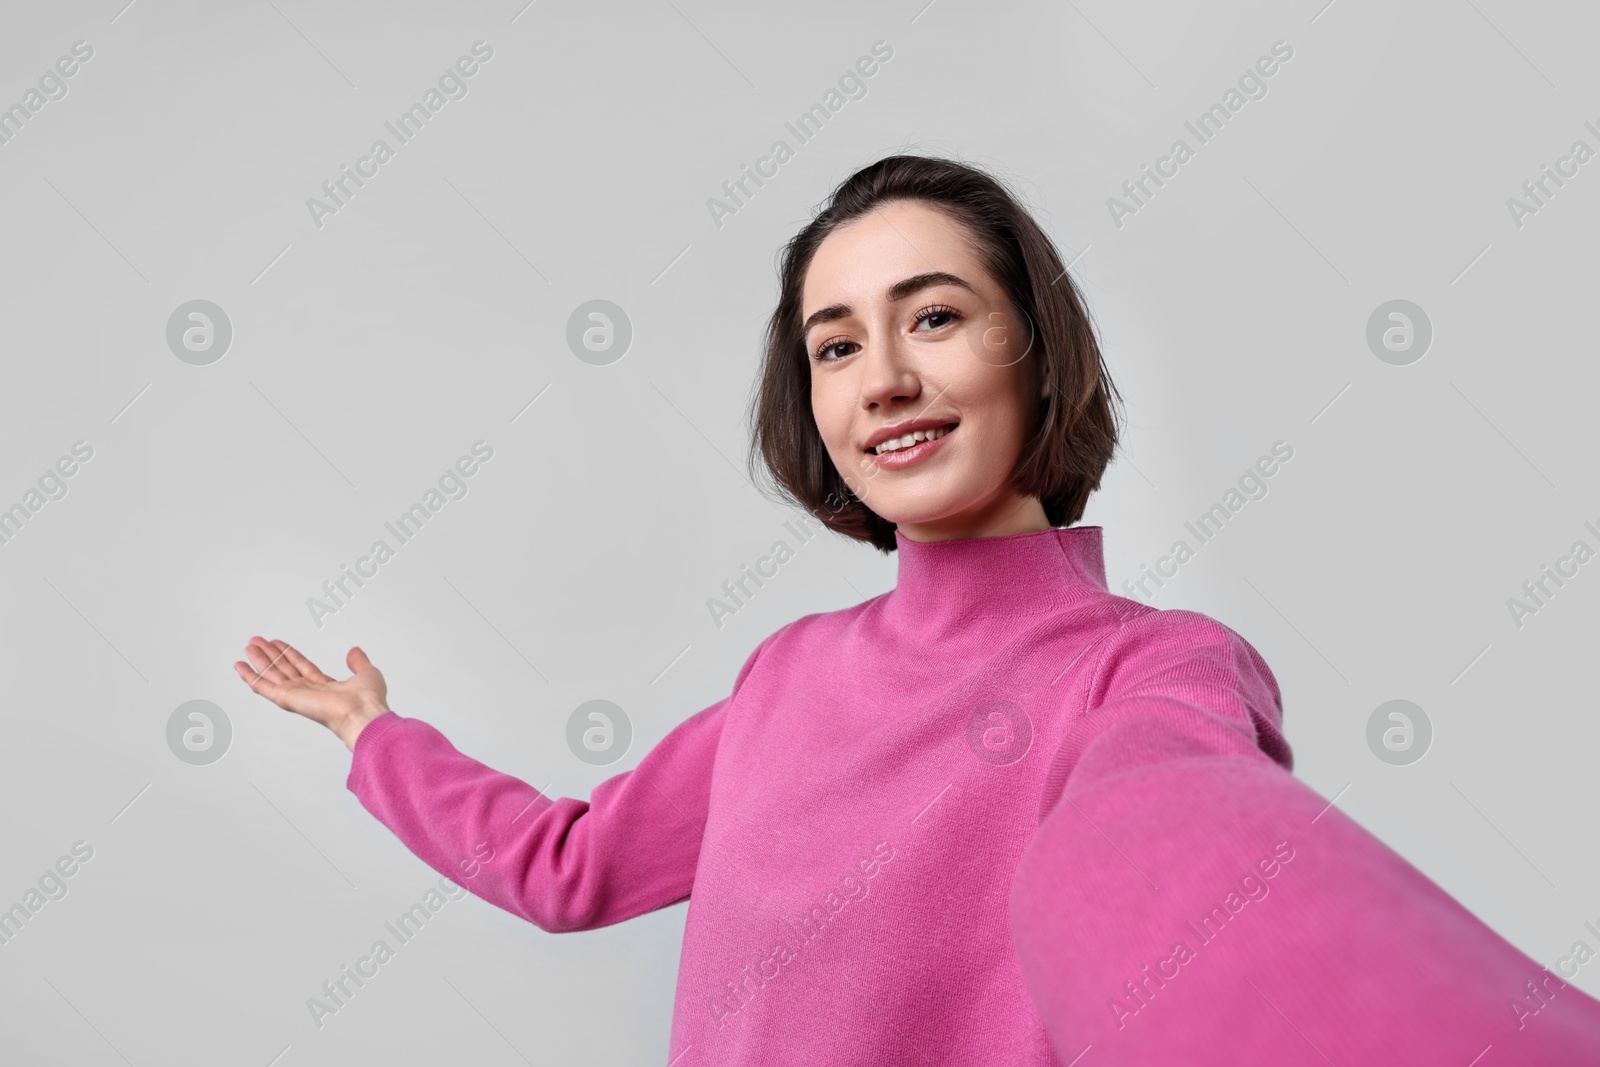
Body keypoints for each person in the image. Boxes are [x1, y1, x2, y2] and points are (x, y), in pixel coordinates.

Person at [236, 154, 1600, 1065]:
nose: (881, 376)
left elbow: (1176, 842)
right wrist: (376, 739)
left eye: (933, 317)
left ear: (1033, 350)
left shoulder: (1154, 671)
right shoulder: (784, 678)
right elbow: (568, 866)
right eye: (835, 345)